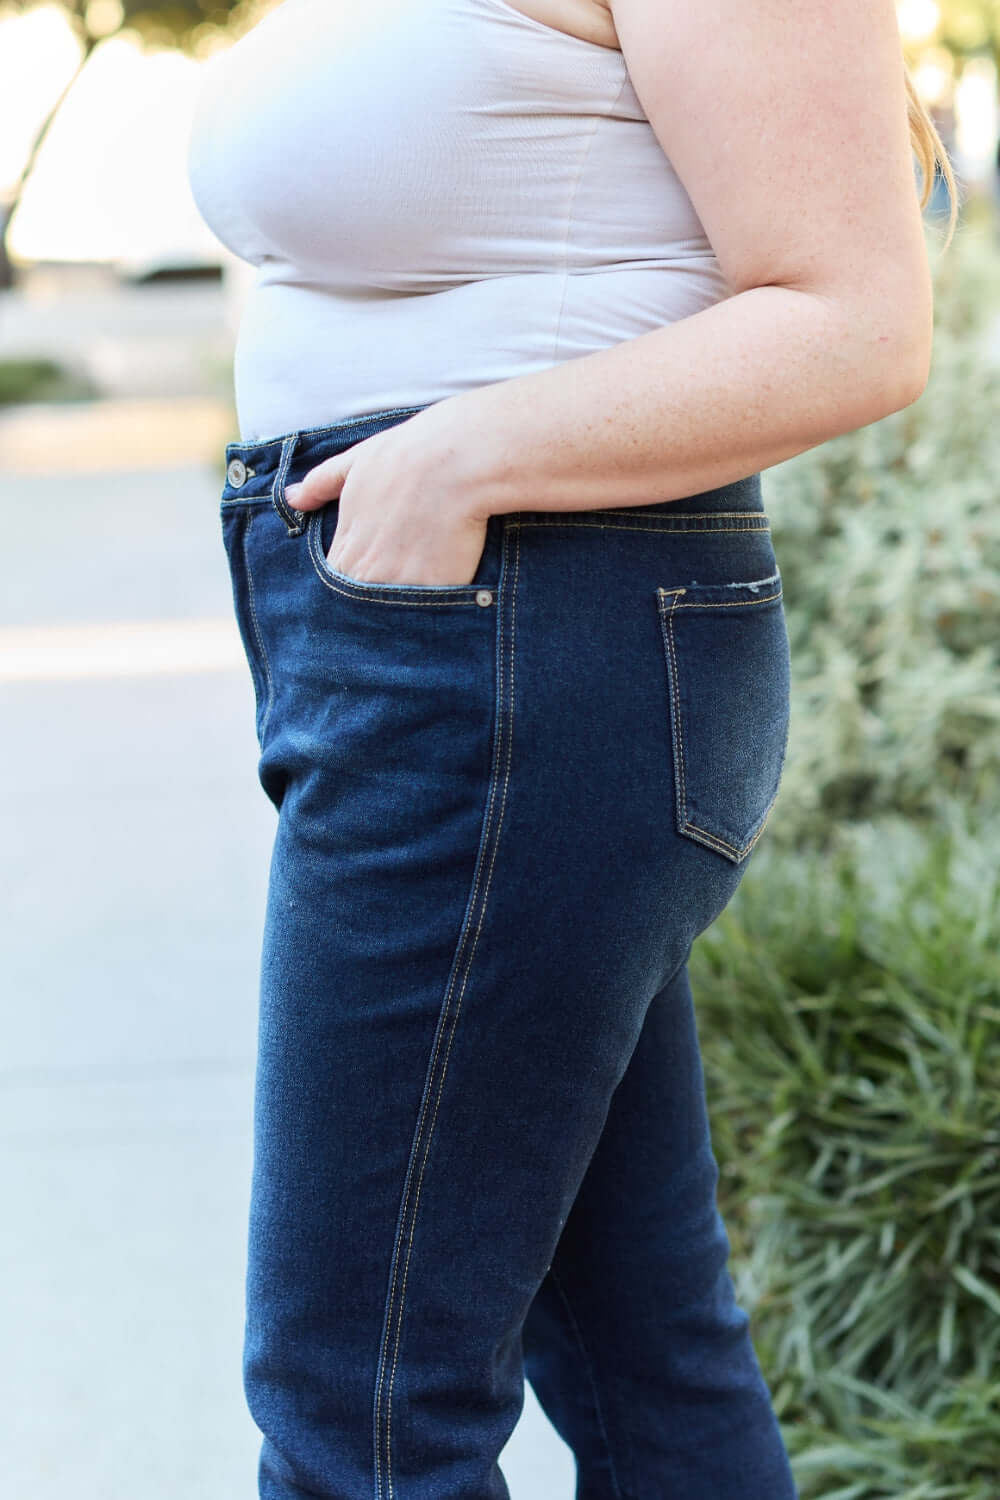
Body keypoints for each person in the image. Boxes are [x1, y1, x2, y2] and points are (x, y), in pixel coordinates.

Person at [185, 2, 957, 1496]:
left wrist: (450, 459)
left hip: (520, 636)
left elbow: (860, 315)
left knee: (362, 1406)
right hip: (453, 639)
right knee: (638, 1349)